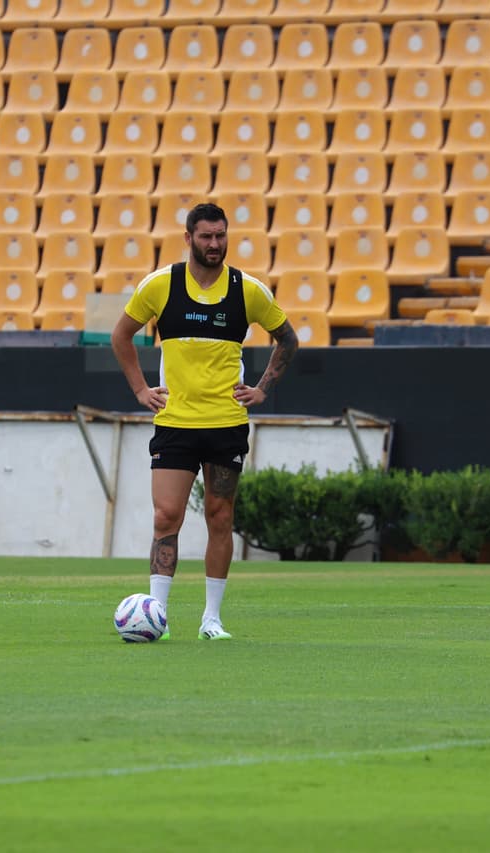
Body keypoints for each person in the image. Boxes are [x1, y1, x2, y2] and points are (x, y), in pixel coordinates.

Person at [111, 203, 299, 640]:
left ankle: (211, 619)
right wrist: (141, 390)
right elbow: (120, 335)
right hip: (175, 422)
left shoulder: (246, 289)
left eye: (220, 236)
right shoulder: (160, 285)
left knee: (219, 516)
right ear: (189, 238)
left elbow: (287, 338)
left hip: (226, 424)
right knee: (166, 516)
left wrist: (263, 389)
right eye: (206, 236)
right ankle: (157, 612)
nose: (214, 244)